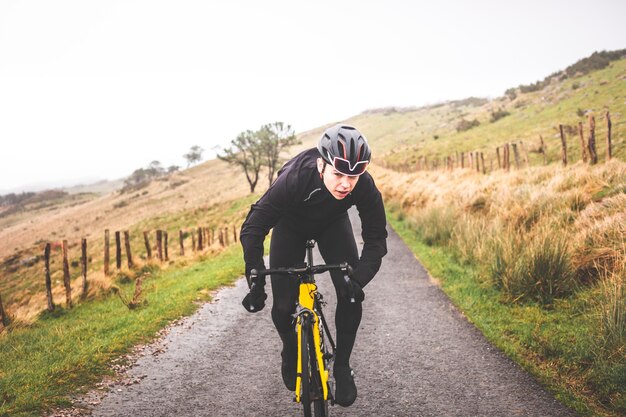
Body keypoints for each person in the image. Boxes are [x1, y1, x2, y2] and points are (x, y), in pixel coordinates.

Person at [240, 124, 388, 407]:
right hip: (290, 224)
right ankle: (290, 350)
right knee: (283, 305)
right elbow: (253, 228)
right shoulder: (294, 179)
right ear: (322, 163)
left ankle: (342, 366)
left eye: (354, 176)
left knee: (349, 292)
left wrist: (359, 279)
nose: (346, 184)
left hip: (333, 224)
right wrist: (255, 277)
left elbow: (376, 238)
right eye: (338, 174)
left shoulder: (363, 185)